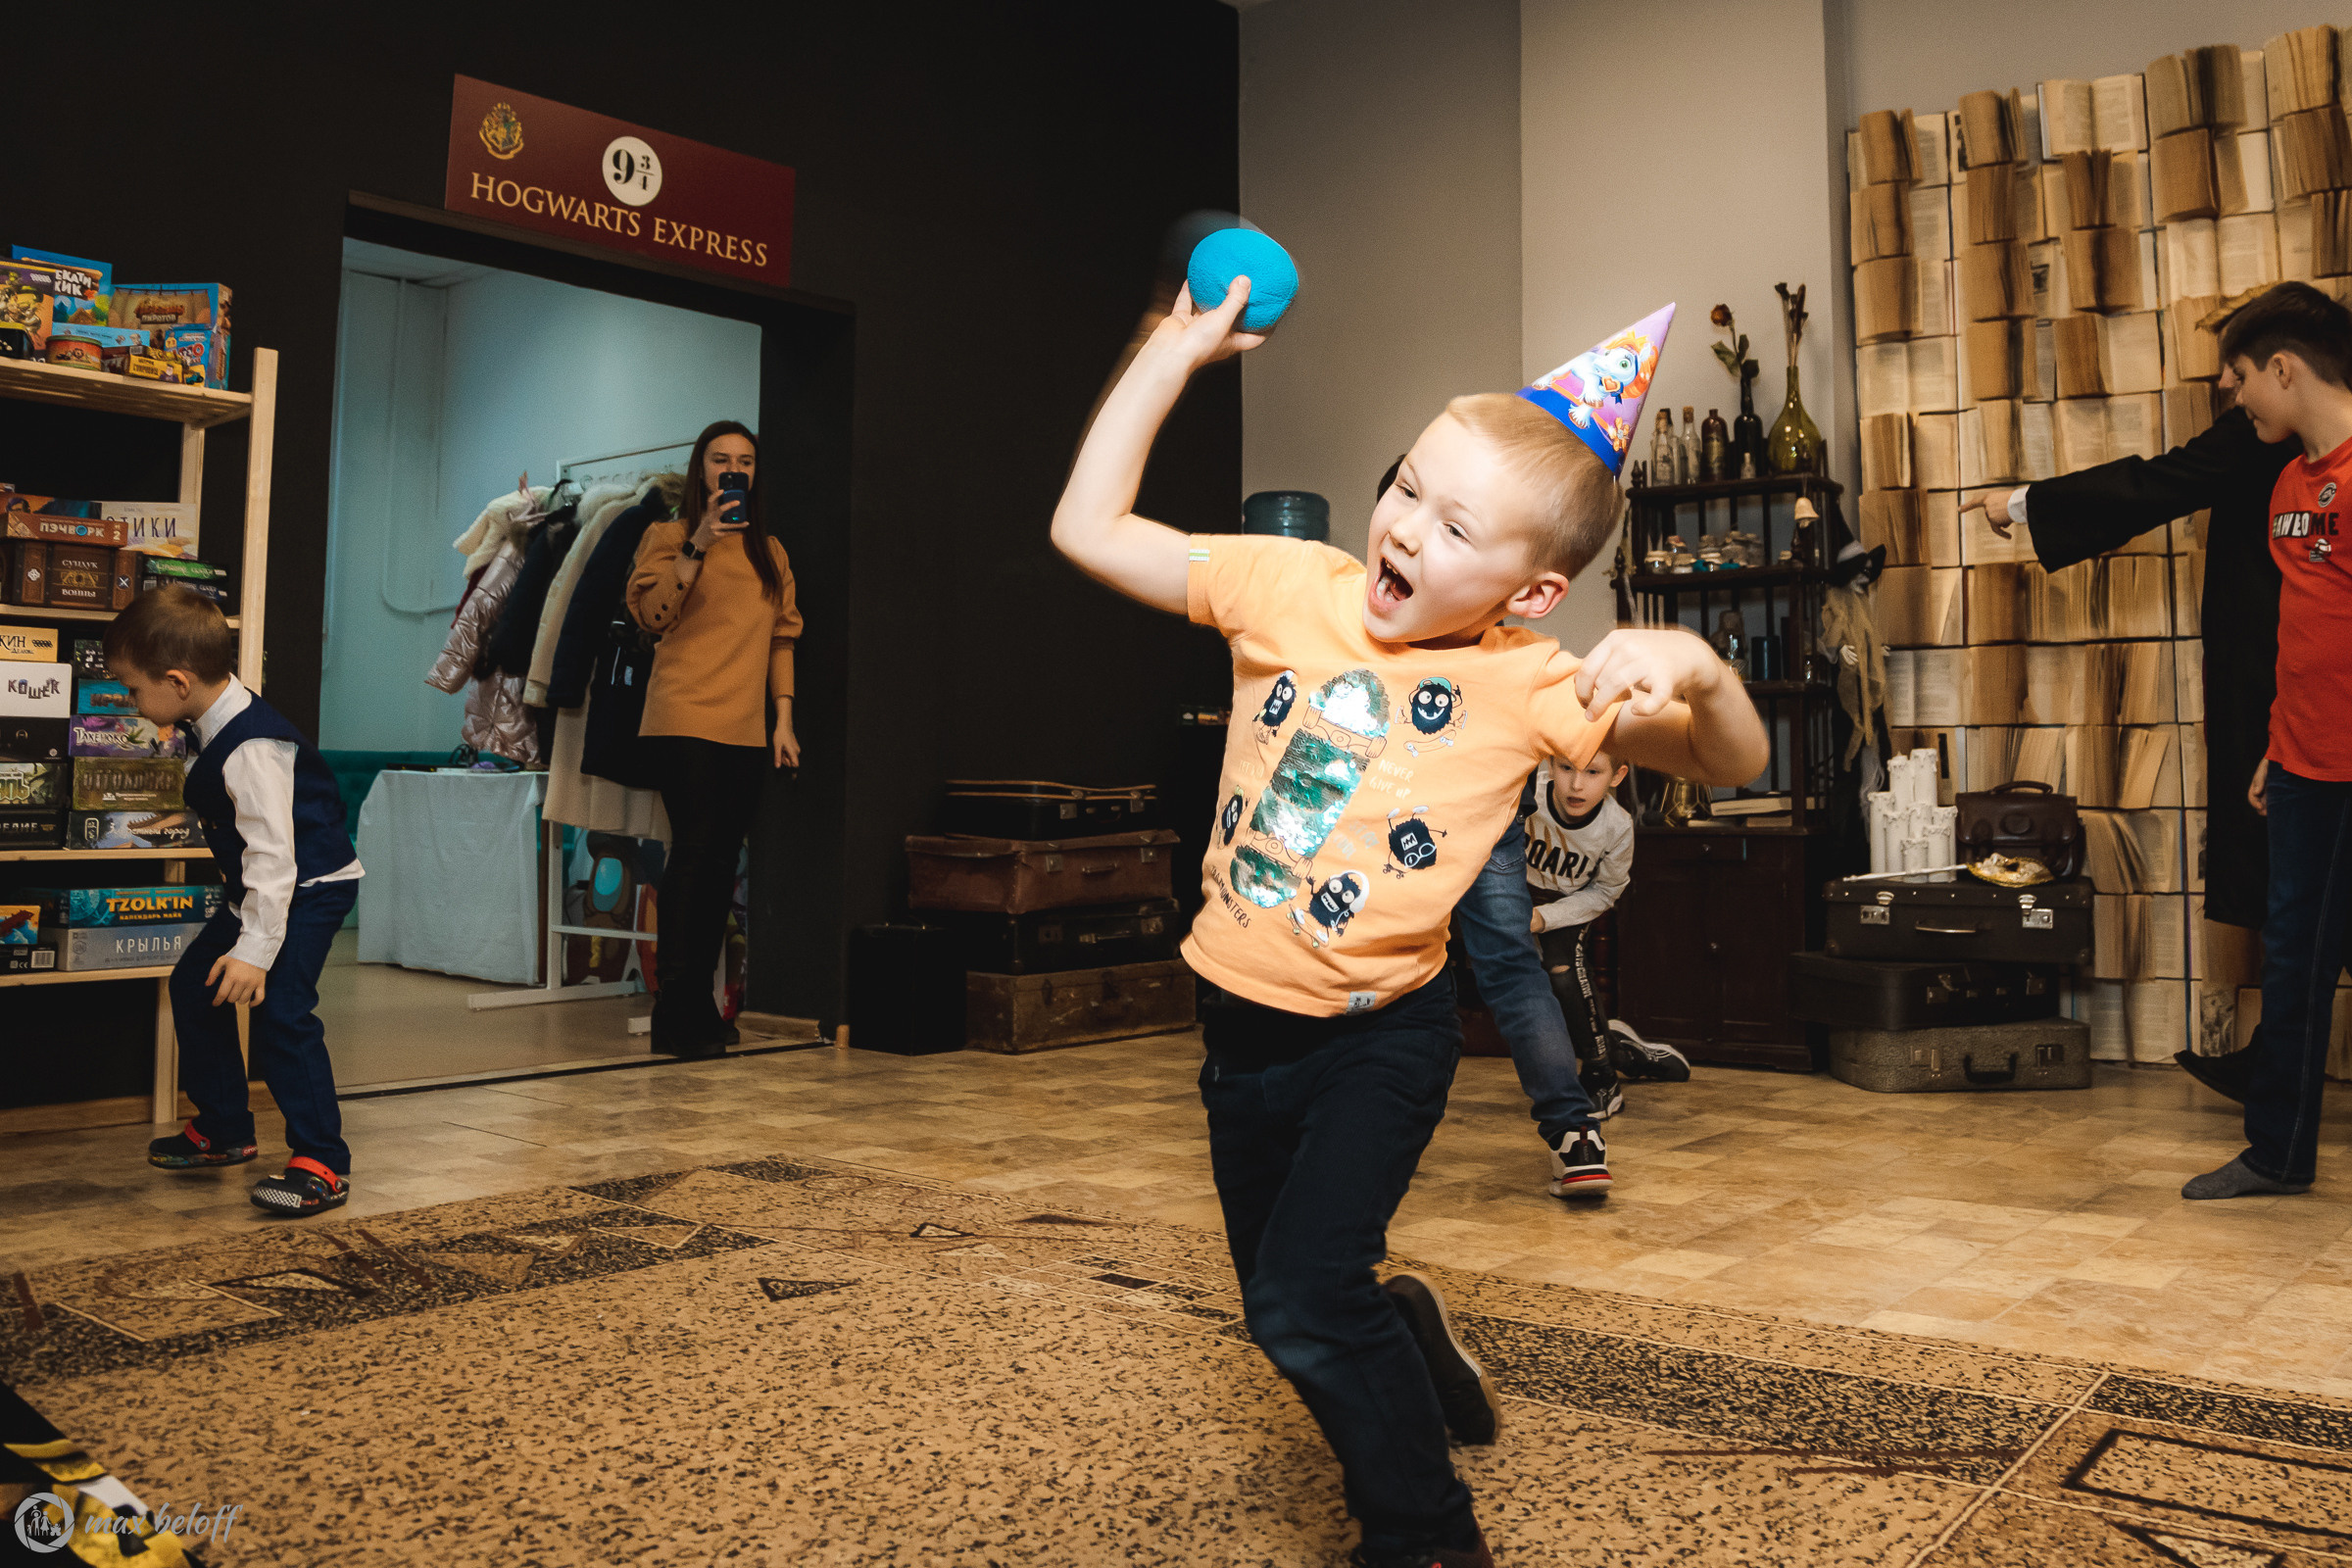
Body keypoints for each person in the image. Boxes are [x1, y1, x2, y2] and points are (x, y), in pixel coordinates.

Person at [1051, 281, 1766, 1568]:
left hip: (1384, 1035)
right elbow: (1089, 528)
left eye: (1455, 523)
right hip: (1237, 1026)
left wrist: (1701, 673)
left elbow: (1731, 764)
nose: (1405, 527)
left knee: (1300, 1306)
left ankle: (1426, 1533)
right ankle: (1410, 1338)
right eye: (1407, 487)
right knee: (1295, 1304)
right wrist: (1171, 350)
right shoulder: (1290, 585)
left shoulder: (1533, 681)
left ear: (1533, 591)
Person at [1965, 328, 2294, 1101]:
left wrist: (2020, 502)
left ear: (2286, 368)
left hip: (2288, 691)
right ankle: (2281, 1061)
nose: (2224, 386)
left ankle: (2280, 1066)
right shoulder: (2281, 437)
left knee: (2302, 879)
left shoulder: (2273, 438)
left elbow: (2159, 484)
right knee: (2298, 882)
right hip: (2276, 690)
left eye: (2237, 371)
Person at [2162, 282, 2352, 1200]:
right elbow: (2298, 635)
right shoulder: (2285, 485)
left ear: (2285, 369)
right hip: (2307, 765)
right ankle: (2277, 1154)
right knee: (2293, 956)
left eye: (2244, 381)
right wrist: (2277, 743)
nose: (2239, 401)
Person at [108, 586, 364, 1215]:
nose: (131, 702)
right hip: (258, 888)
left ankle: (322, 1163)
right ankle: (224, 1129)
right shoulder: (212, 711)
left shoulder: (251, 747)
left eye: (135, 690)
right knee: (197, 987)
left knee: (282, 1014)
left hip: (306, 888)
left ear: (177, 679)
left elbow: (277, 858)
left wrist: (254, 952)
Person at [626, 420, 804, 1058]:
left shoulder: (770, 551)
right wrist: (697, 543)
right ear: (702, 470)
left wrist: (783, 719)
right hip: (682, 719)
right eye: (722, 459)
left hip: (745, 728)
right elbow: (652, 616)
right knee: (695, 858)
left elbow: (783, 636)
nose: (735, 469)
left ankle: (696, 1008)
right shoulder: (668, 535)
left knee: (719, 867)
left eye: (746, 461)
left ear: (755, 474)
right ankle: (677, 1011)